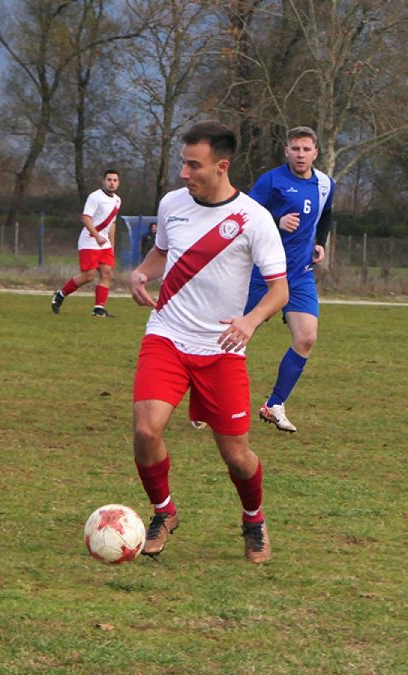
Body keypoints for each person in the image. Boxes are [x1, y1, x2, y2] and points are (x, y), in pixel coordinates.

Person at [128, 121, 288, 564]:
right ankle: (164, 513)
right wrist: (142, 272)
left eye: (193, 165)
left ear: (221, 166)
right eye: (183, 163)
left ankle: (253, 520)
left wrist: (252, 320)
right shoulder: (172, 204)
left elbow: (280, 290)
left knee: (237, 456)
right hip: (168, 335)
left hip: (222, 349)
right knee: (145, 429)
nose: (184, 173)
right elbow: (162, 251)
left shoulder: (254, 219)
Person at [245, 126, 334, 433]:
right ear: (286, 151)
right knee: (235, 337)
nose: (300, 154)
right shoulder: (271, 180)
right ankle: (205, 399)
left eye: (306, 149)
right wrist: (276, 220)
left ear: (315, 153)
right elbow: (244, 215)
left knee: (307, 338)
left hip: (299, 276)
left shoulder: (324, 184)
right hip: (262, 273)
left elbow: (326, 215)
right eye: (295, 148)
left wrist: (319, 242)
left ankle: (274, 404)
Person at [51, 169, 121, 317]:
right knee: (88, 275)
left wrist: (112, 245)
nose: (112, 183)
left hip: (105, 244)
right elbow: (86, 218)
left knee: (107, 273)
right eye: (109, 180)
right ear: (104, 181)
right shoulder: (95, 197)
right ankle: (61, 294)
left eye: (115, 180)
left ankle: (99, 308)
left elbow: (112, 223)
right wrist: (96, 236)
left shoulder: (117, 200)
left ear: (118, 183)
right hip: (89, 240)